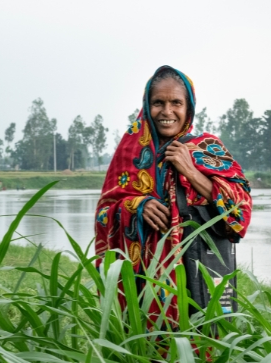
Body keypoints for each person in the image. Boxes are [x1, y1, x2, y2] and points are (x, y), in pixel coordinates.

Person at [95, 65, 252, 331]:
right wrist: (136, 206)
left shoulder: (207, 147)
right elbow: (105, 210)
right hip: (143, 279)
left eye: (176, 103)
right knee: (145, 351)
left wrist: (190, 170)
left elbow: (240, 214)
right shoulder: (130, 151)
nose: (167, 112)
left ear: (188, 107)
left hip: (201, 271)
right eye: (158, 102)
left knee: (202, 351)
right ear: (147, 106)